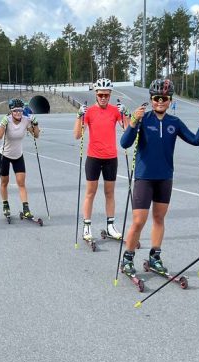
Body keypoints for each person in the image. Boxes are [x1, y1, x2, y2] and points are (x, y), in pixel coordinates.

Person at [119, 78, 199, 277]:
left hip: (165, 178)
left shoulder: (173, 122)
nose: (160, 101)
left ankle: (155, 257)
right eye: (157, 97)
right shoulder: (144, 119)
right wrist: (133, 122)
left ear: (170, 100)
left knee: (159, 218)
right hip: (144, 178)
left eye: (165, 98)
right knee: (139, 220)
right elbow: (124, 143)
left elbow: (195, 140)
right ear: (151, 99)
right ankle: (127, 258)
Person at [74, 78, 128, 242]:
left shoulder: (115, 110)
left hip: (111, 158)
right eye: (100, 95)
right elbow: (77, 135)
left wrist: (125, 113)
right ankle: (87, 226)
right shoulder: (89, 112)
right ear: (96, 94)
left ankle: (111, 226)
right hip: (94, 158)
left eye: (106, 94)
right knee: (90, 193)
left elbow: (127, 130)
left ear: (110, 94)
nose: (103, 97)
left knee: (110, 193)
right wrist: (79, 116)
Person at [0, 98, 40, 220]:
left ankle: (26, 209)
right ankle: (5, 204)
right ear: (11, 111)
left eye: (20, 110)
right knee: (5, 182)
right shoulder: (7, 121)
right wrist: (2, 124)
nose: (18, 113)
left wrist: (35, 124)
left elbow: (36, 135)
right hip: (4, 155)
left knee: (21, 183)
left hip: (18, 156)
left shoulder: (25, 121)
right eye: (15, 111)